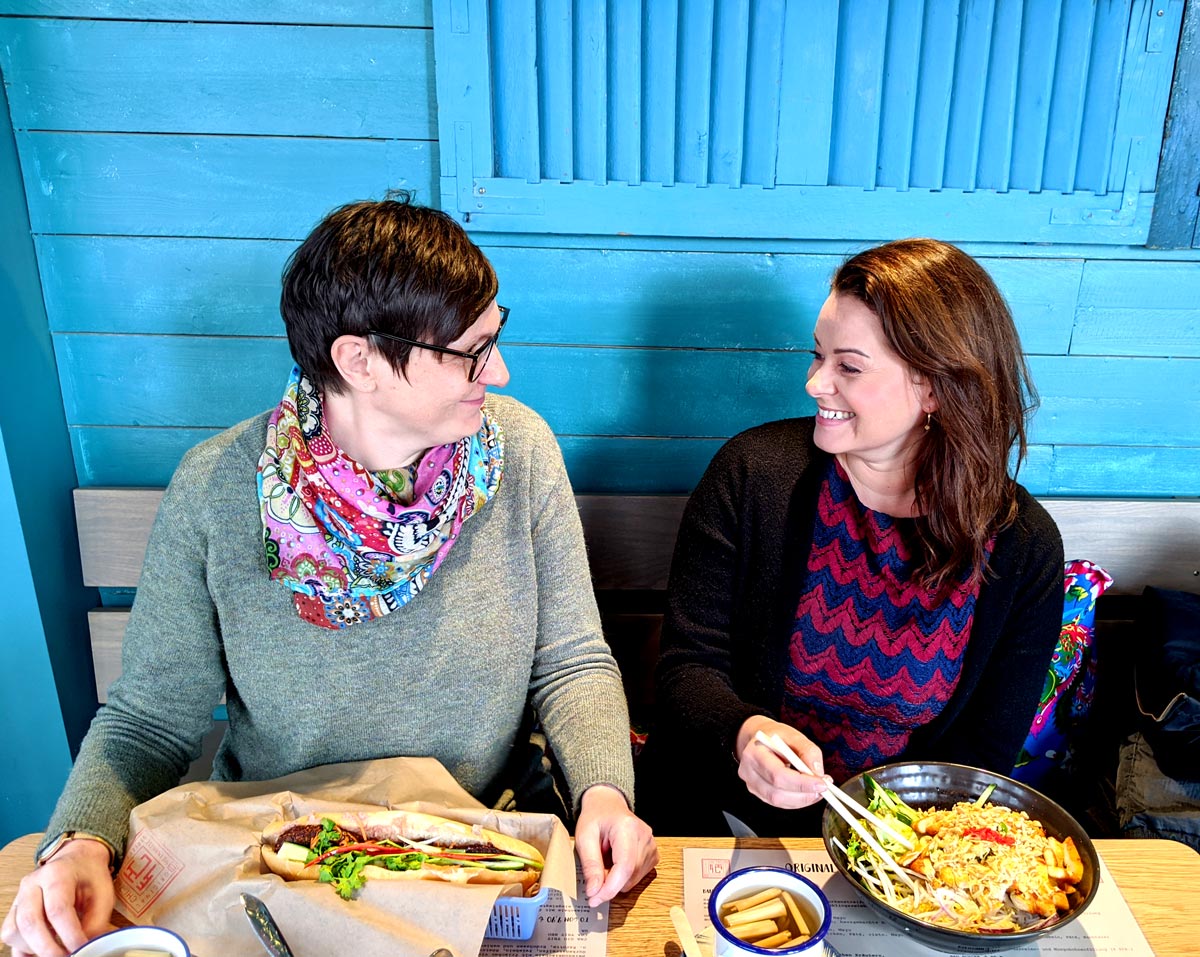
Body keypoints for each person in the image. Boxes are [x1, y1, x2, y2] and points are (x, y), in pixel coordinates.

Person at [2, 194, 657, 957]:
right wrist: (81, 838)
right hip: (276, 866)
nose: (500, 371)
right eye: (471, 352)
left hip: (487, 848)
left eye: (495, 337)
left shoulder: (523, 452)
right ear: (360, 360)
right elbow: (147, 720)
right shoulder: (217, 489)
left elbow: (571, 660)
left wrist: (606, 791)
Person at [638, 238, 1064, 838]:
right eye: (818, 357)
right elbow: (687, 667)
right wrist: (743, 733)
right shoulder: (754, 474)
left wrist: (888, 857)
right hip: (710, 816)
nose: (816, 383)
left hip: (897, 851)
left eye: (849, 367)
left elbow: (981, 757)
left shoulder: (1023, 545)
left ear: (935, 388)